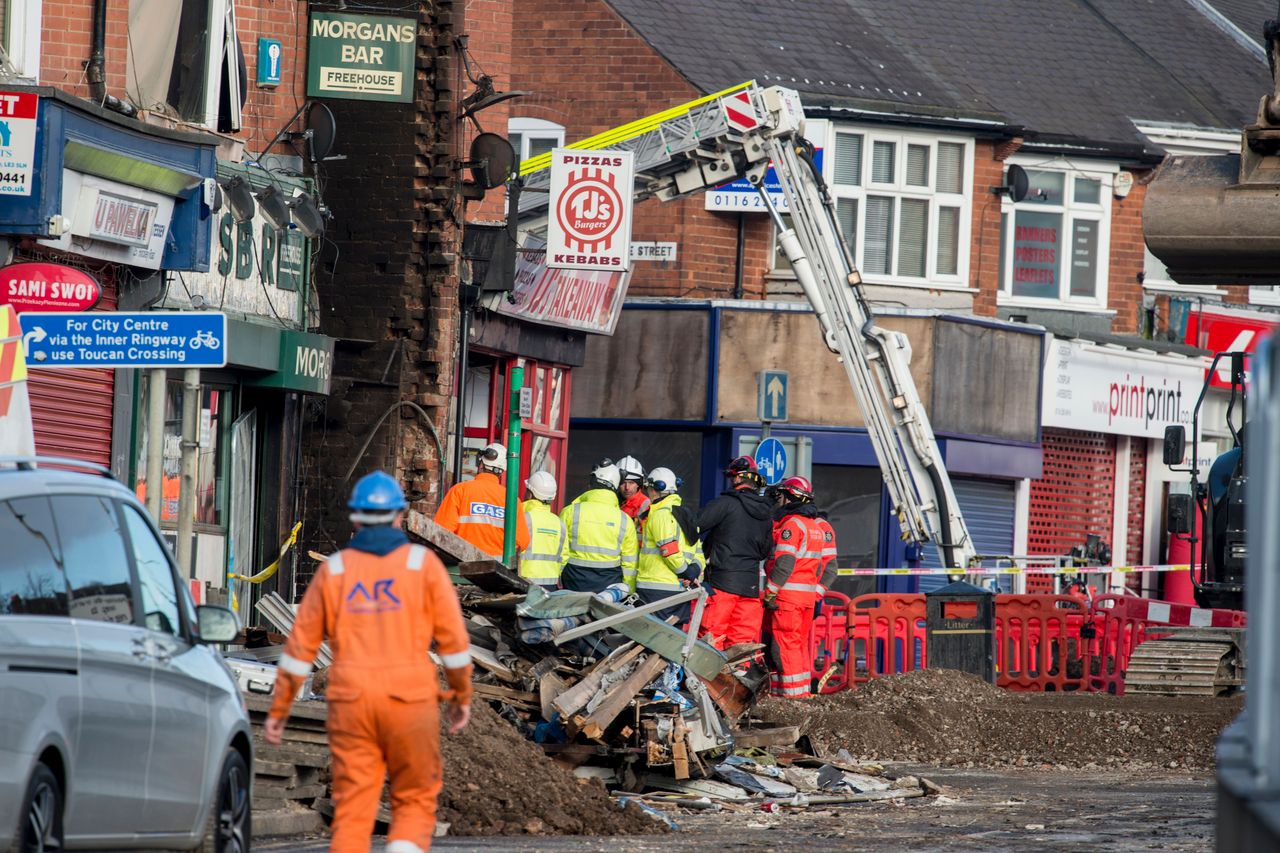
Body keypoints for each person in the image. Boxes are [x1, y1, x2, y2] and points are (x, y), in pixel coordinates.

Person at [265, 471, 473, 852]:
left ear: (356, 519)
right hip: (410, 699)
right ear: (399, 516)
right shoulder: (422, 565)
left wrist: (279, 710)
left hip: (352, 700)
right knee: (413, 797)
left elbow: (300, 651)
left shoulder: (336, 570)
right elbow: (454, 645)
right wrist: (461, 696)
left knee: (354, 807)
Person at [697, 455, 774, 649]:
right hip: (750, 586)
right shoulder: (766, 512)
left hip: (722, 582)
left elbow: (695, 525)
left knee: (711, 638)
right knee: (741, 643)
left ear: (738, 478)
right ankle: (737, 677)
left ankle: (707, 680)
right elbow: (765, 551)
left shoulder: (725, 503)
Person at [763, 475, 829, 699]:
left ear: (791, 497)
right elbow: (820, 566)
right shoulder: (815, 527)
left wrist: (770, 591)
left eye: (781, 495)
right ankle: (801, 695)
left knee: (784, 648)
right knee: (798, 647)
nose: (778, 499)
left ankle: (792, 701)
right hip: (806, 600)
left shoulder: (792, 525)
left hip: (787, 598)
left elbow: (784, 563)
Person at [433, 442, 530, 559]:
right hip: (497, 569)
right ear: (502, 470)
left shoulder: (460, 490)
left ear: (481, 464)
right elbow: (522, 541)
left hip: (463, 564)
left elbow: (442, 531)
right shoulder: (512, 500)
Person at [633, 467, 704, 624]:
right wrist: (694, 570)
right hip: (680, 589)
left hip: (656, 588)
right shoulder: (686, 513)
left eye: (648, 488)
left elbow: (668, 550)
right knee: (673, 640)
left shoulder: (660, 514)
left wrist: (685, 572)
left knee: (650, 640)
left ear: (655, 489)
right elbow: (698, 549)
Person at [560, 459, 638, 592]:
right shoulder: (625, 520)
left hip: (573, 583)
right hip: (609, 586)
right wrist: (628, 590)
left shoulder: (570, 511)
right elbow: (629, 563)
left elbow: (561, 552)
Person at [520, 470, 566, 588]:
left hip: (523, 582)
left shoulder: (522, 518)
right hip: (550, 584)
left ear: (530, 494)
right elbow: (564, 556)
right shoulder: (559, 523)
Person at [617, 455, 650, 533]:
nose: (627, 487)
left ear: (639, 484)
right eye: (623, 483)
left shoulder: (645, 505)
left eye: (631, 483)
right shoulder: (611, 502)